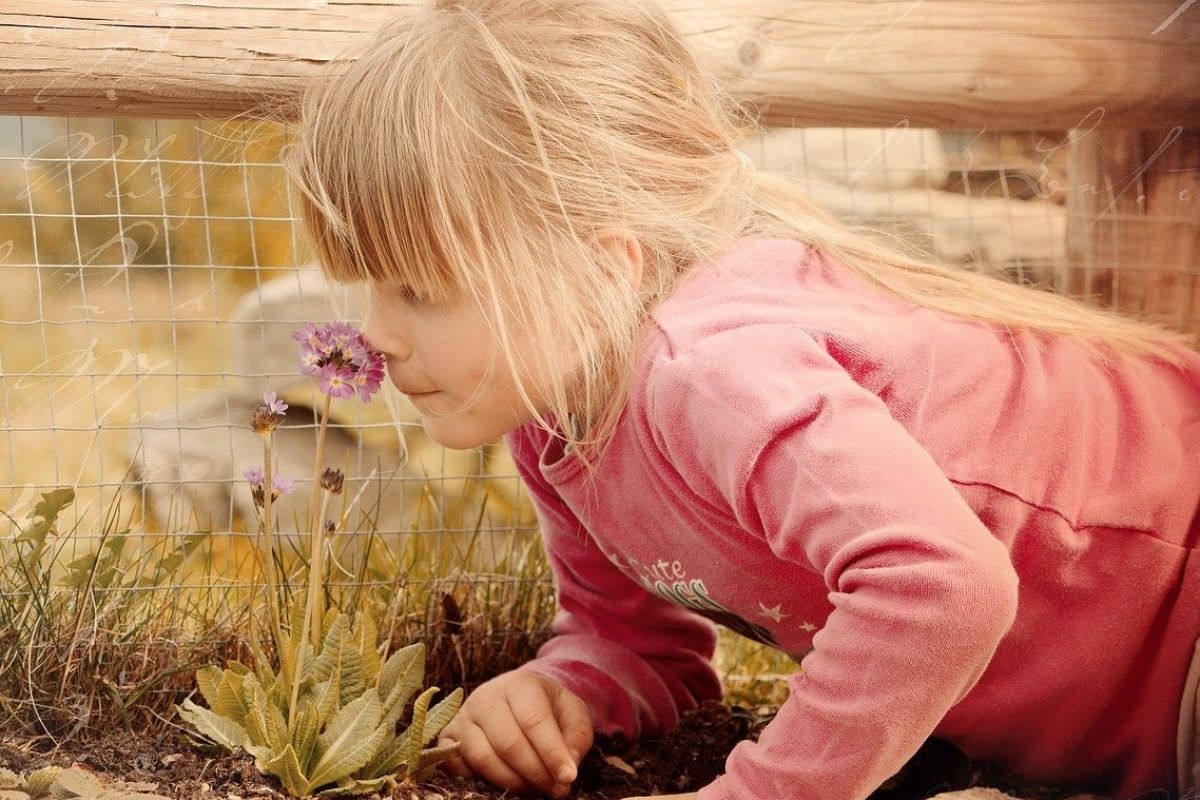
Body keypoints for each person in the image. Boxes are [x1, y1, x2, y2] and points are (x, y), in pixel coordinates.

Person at [283, 1, 1200, 798]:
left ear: (605, 268)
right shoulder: (558, 426)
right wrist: (567, 688)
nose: (378, 335)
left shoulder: (713, 373)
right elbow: (644, 648)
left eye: (421, 290)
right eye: (367, 287)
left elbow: (941, 586)